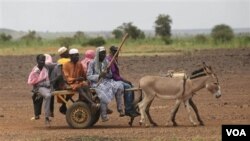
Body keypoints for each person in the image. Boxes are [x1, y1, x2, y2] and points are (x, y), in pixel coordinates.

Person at [87, 46, 125, 122]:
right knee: (102, 92)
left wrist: (107, 72)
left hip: (106, 81)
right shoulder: (92, 63)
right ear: (98, 54)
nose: (104, 55)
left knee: (120, 86)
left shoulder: (106, 62)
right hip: (97, 83)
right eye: (102, 54)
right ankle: (104, 115)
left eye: (104, 53)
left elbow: (110, 75)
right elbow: (88, 76)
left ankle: (120, 108)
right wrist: (99, 75)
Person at [107, 46, 139, 117]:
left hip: (115, 79)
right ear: (112, 52)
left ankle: (131, 107)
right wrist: (125, 80)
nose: (117, 53)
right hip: (111, 80)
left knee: (132, 86)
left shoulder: (114, 59)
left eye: (117, 51)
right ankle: (128, 109)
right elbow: (114, 76)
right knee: (128, 86)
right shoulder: (110, 60)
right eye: (116, 52)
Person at [27, 54, 52, 124]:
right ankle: (47, 117)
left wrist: (48, 84)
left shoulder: (45, 68)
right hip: (38, 88)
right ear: (37, 61)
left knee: (52, 93)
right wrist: (46, 84)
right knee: (48, 96)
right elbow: (34, 82)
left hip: (46, 86)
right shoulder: (35, 70)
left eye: (43, 60)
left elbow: (47, 79)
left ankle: (50, 113)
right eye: (41, 60)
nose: (42, 62)